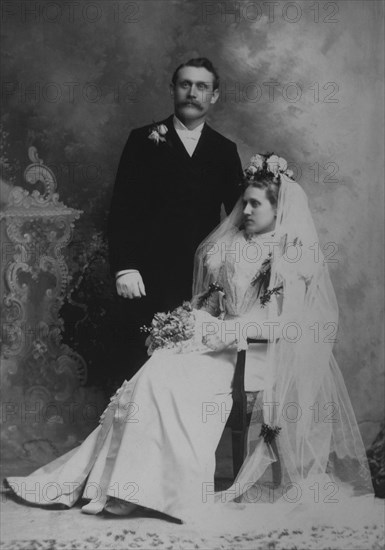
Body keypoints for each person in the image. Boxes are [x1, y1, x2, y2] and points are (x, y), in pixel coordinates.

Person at [4, 153, 374, 526]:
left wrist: (226, 332)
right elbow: (212, 302)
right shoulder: (227, 247)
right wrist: (191, 321)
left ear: (277, 210)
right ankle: (121, 486)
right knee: (156, 371)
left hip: (255, 353)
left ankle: (159, 491)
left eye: (254, 204)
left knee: (175, 382)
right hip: (219, 344)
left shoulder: (290, 255)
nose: (244, 210)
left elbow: (286, 326)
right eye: (243, 201)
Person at [107, 57, 243, 383]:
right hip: (146, 278)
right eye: (185, 84)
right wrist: (124, 266)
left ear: (214, 95)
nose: (192, 93)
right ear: (172, 90)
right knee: (143, 367)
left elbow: (241, 218)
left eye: (202, 86)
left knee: (192, 372)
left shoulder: (225, 150)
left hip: (201, 281)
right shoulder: (142, 141)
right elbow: (122, 209)